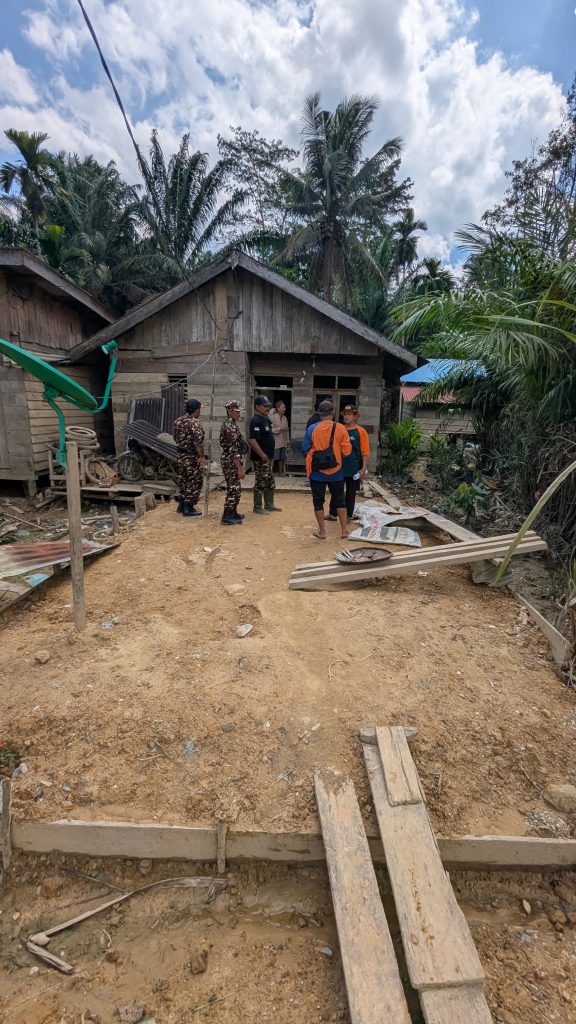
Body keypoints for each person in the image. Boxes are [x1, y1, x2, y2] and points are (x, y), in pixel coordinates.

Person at [301, 399, 352, 540]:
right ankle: (344, 531)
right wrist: (336, 455)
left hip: (317, 472)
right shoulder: (341, 428)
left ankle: (322, 532)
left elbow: (304, 449)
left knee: (318, 501)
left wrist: (316, 454)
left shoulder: (312, 429)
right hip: (336, 472)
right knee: (340, 500)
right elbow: (347, 451)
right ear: (333, 412)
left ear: (319, 413)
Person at [327, 405, 370, 522]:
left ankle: (348, 515)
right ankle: (332, 513)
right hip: (339, 467)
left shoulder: (361, 432)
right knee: (336, 491)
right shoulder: (340, 429)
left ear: (355, 416)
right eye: (345, 414)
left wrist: (363, 468)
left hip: (354, 468)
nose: (346, 416)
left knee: (351, 493)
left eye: (349, 414)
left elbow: (365, 452)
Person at [249, 395, 283, 515]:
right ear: (257, 407)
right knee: (261, 481)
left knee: (269, 480)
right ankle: (257, 506)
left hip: (268, 457)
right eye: (264, 406)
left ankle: (269, 504)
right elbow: (252, 440)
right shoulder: (256, 420)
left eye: (268, 406)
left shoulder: (266, 419)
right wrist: (263, 455)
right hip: (260, 458)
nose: (267, 408)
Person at [173, 398, 205, 516]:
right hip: (191, 456)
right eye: (199, 410)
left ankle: (181, 505)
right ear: (196, 410)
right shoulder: (194, 423)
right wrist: (201, 457)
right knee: (195, 481)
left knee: (184, 480)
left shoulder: (178, 421)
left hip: (180, 455)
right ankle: (188, 507)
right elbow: (198, 444)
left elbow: (175, 438)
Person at [219, 400, 246, 526]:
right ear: (230, 411)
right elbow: (233, 450)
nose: (239, 414)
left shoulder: (232, 424)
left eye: (240, 411)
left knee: (235, 488)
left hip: (231, 459)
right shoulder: (229, 426)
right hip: (230, 460)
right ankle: (227, 515)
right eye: (237, 411)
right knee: (233, 488)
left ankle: (233, 511)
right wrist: (240, 468)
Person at [269, 399, 290, 476]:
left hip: (283, 440)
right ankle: (270, 472)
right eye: (283, 407)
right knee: (274, 457)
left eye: (284, 407)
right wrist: (280, 429)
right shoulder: (273, 417)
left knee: (282, 458)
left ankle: (280, 472)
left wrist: (288, 440)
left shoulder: (285, 418)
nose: (284, 409)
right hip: (275, 441)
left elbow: (287, 430)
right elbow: (270, 430)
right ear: (278, 408)